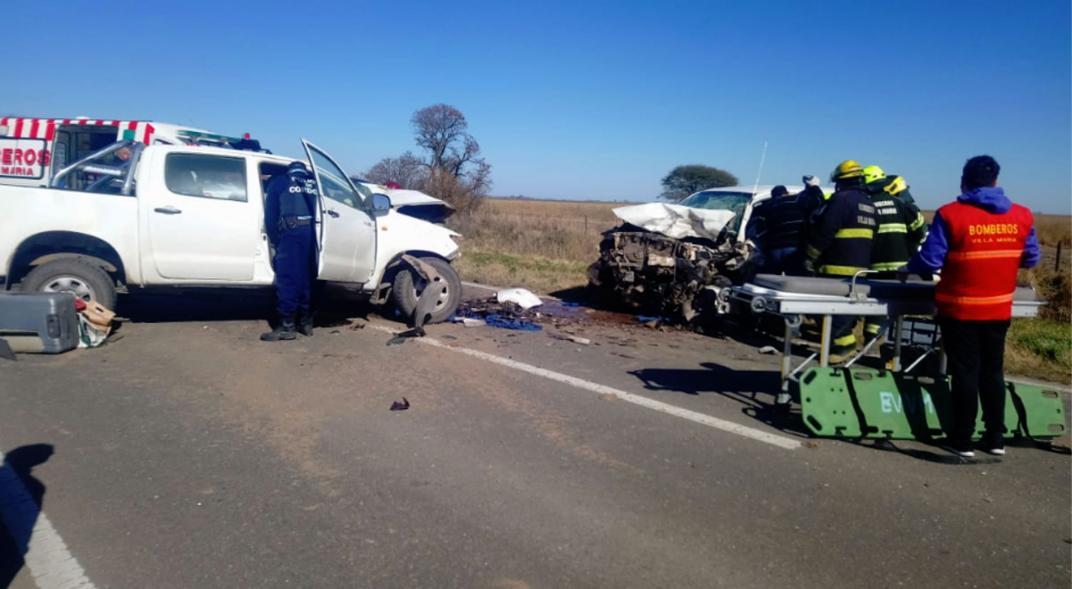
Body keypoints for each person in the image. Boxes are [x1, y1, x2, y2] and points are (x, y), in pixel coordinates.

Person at [905, 155, 1039, 458]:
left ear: (964, 181)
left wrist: (908, 267)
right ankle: (995, 438)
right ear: (996, 181)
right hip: (998, 309)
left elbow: (929, 260)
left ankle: (962, 440)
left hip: (960, 310)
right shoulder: (1022, 215)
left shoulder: (952, 214)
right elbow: (1031, 258)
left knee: (965, 373)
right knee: (992, 372)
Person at [803, 160, 877, 361]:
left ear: (840, 182)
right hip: (860, 269)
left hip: (836, 267)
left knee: (825, 310)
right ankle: (842, 348)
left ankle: (842, 349)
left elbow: (825, 231)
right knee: (845, 313)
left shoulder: (841, 200)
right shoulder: (868, 203)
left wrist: (810, 256)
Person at [862, 165, 928, 344]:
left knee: (876, 302)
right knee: (897, 304)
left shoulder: (865, 205)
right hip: (901, 266)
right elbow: (920, 230)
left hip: (873, 266)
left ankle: (871, 338)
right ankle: (893, 341)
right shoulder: (900, 203)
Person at [261, 161, 319, 341]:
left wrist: (275, 240)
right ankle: (306, 322)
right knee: (309, 278)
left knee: (288, 279)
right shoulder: (315, 184)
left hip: (291, 233)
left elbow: (270, 215)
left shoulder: (280, 182)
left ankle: (287, 326)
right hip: (314, 234)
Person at [750, 185, 810, 274]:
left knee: (773, 279)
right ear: (786, 193)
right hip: (794, 246)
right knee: (793, 279)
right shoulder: (797, 202)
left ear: (773, 195)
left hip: (775, 247)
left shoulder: (769, 206)